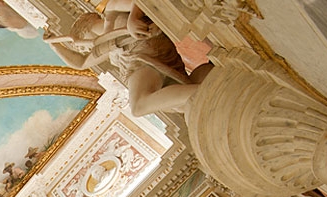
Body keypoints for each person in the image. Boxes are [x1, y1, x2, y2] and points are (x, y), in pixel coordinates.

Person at [46, 0, 212, 117]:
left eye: (83, 46)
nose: (86, 49)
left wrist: (133, 19)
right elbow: (81, 63)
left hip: (142, 55)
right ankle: (210, 77)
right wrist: (55, 46)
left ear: (86, 29)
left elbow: (140, 3)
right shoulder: (107, 44)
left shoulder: (111, 11)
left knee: (139, 106)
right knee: (179, 105)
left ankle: (208, 92)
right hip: (140, 59)